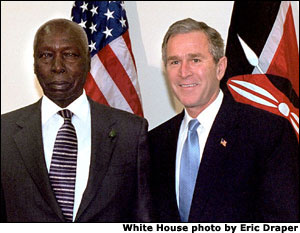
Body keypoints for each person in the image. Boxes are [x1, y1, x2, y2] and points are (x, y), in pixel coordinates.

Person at [1, 18, 152, 222]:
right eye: (46, 55)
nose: (57, 67)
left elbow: (143, 217)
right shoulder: (5, 133)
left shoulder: (130, 132)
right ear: (35, 65)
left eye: (69, 55)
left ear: (88, 62)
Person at [149, 18, 299, 222]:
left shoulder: (268, 133)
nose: (184, 72)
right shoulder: (153, 141)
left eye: (195, 60)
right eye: (175, 62)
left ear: (220, 67)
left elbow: (283, 222)